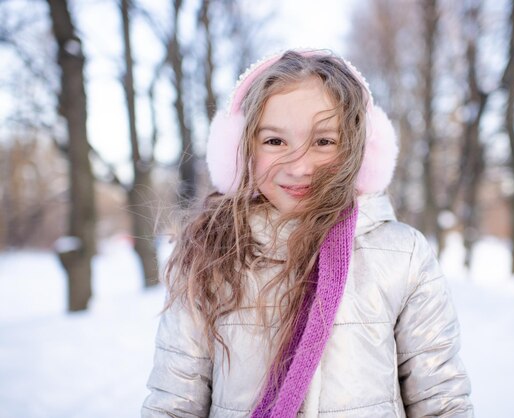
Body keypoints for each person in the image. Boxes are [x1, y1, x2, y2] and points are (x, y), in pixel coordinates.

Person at [142, 49, 473, 418]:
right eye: (274, 141)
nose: (299, 167)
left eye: (324, 141)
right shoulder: (210, 255)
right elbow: (173, 405)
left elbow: (441, 401)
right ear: (240, 149)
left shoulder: (403, 254)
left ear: (358, 150)